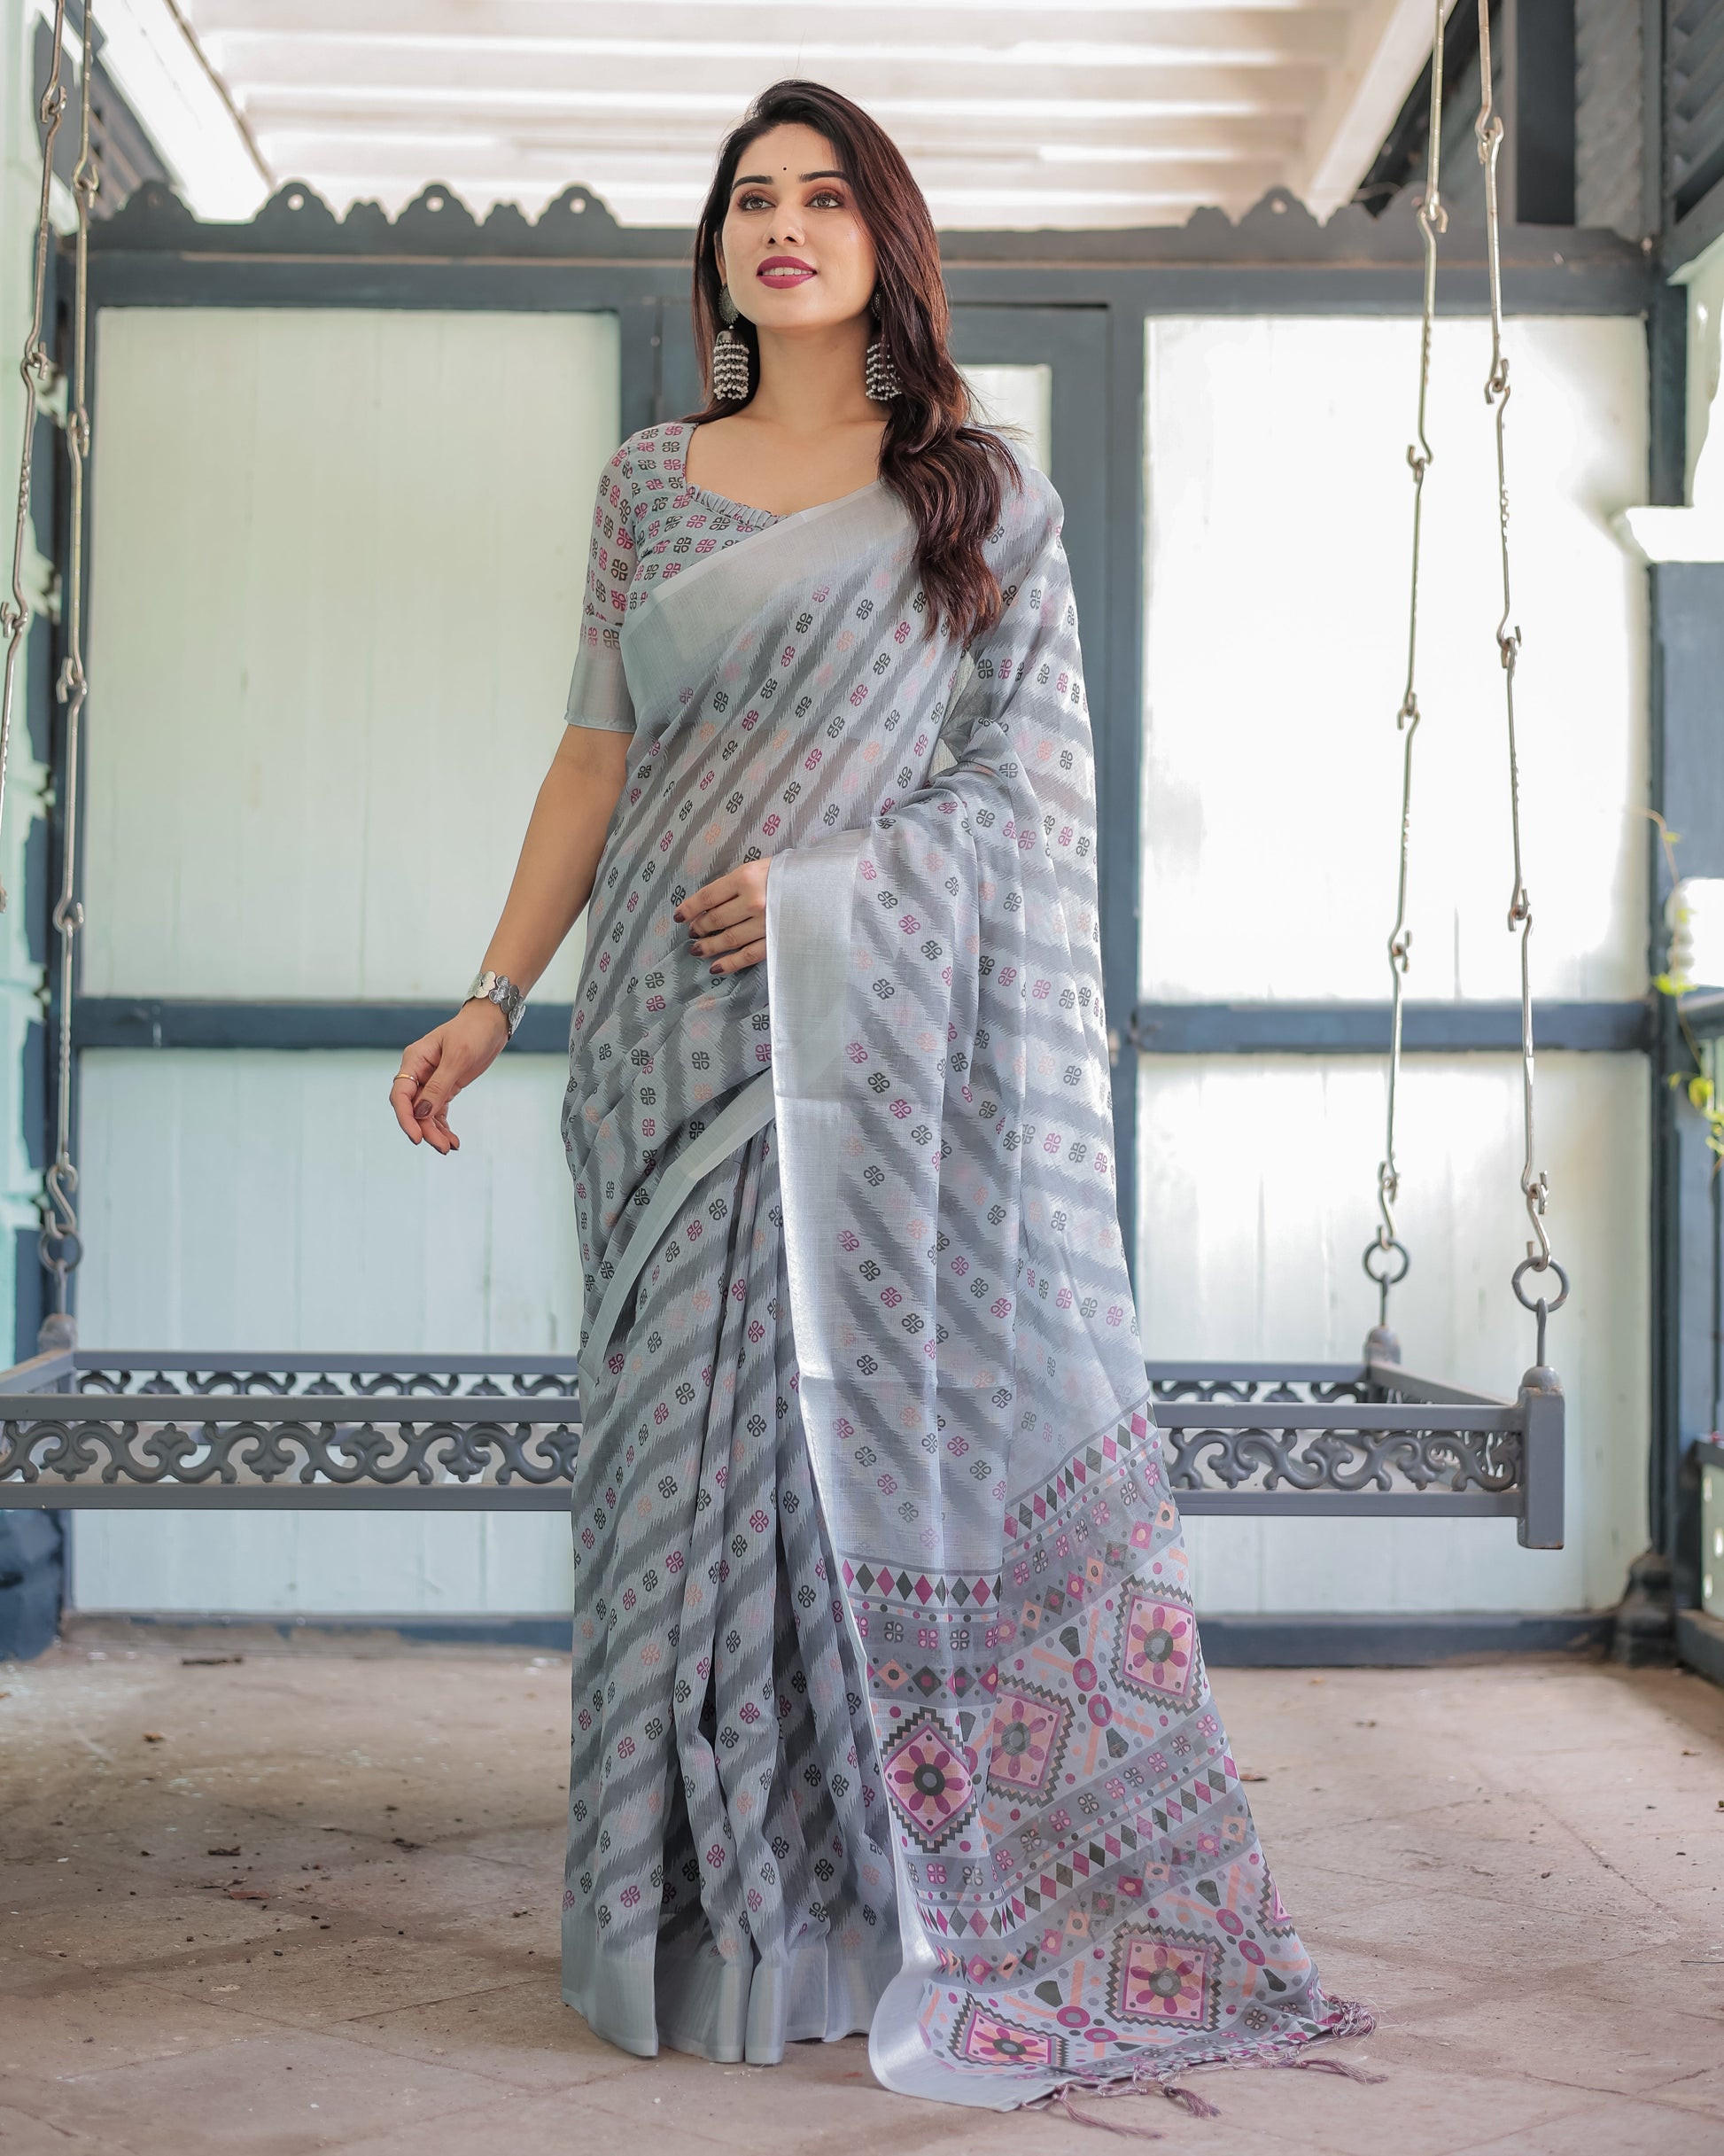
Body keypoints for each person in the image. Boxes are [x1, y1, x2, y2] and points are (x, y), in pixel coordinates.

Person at [388, 76, 1371, 2117]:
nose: (783, 223)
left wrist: (828, 893)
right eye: (752, 196)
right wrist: (491, 994)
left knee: (836, 1487)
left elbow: (1030, 796)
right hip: (662, 1054)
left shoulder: (977, 500)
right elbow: (592, 756)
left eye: (825, 195)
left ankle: (847, 1919)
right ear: (718, 251)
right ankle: (670, 1922)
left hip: (872, 1078)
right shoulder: (646, 484)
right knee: (667, 1494)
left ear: (882, 240)